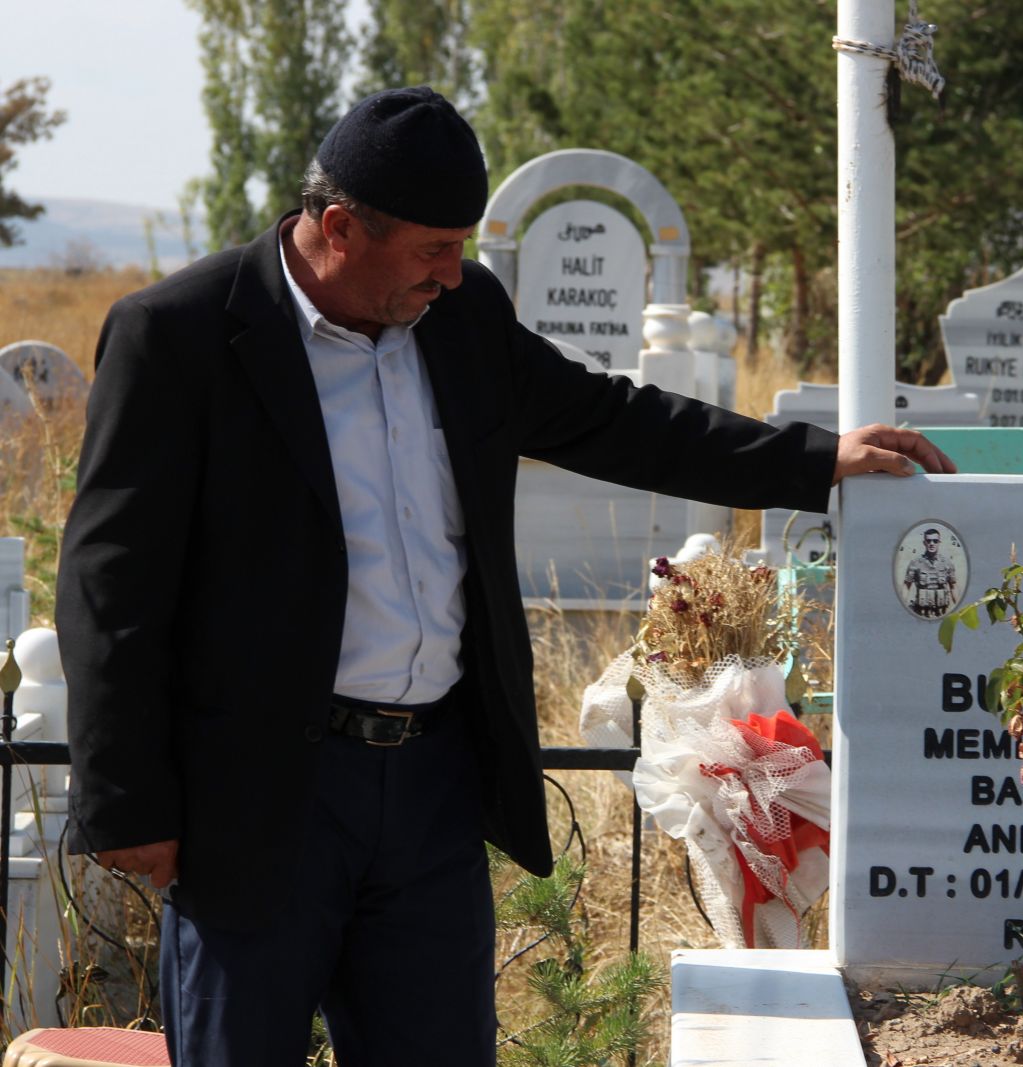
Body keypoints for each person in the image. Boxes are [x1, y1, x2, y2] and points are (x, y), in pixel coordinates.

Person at [56, 86, 953, 1067]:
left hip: (433, 785)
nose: (452, 272)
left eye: (462, 247)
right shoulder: (179, 335)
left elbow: (614, 418)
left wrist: (813, 458)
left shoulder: (463, 315)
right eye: (432, 249)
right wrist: (126, 799)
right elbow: (112, 577)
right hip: (261, 795)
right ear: (340, 226)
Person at [903, 527, 957, 617]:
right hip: (921, 613)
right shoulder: (915, 563)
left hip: (942, 614)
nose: (932, 544)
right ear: (924, 543)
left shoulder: (947, 563)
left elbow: (953, 587)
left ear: (939, 543)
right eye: (929, 541)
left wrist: (959, 609)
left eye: (935, 541)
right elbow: (906, 586)